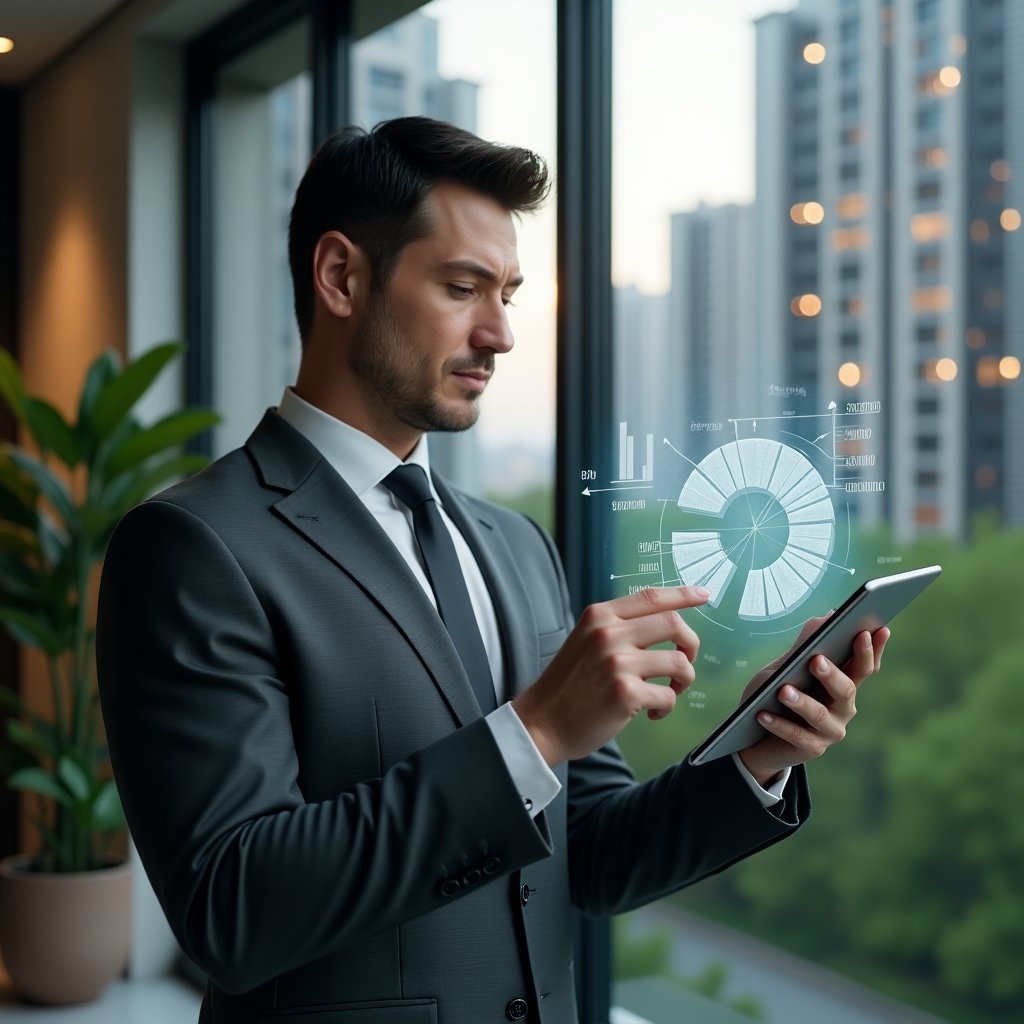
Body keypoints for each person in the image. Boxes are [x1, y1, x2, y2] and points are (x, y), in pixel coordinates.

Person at [96, 117, 888, 1024]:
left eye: (508, 293)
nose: (502, 334)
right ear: (341, 277)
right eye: (463, 287)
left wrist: (758, 756)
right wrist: (539, 727)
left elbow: (582, 851)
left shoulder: (514, 545)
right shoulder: (193, 546)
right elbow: (232, 910)